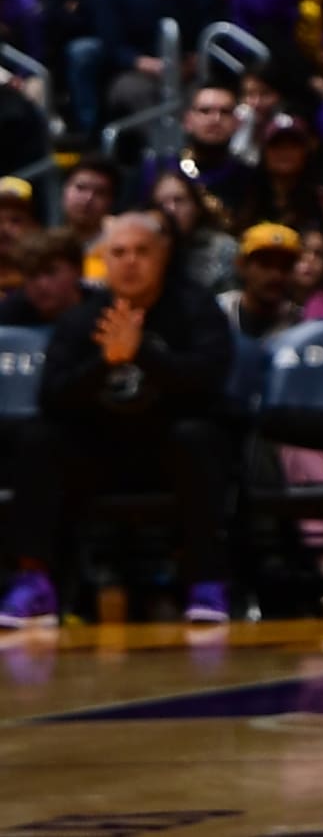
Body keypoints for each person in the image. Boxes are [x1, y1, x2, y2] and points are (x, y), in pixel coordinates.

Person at [0, 211, 235, 627]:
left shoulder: (195, 307)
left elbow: (210, 385)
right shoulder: (82, 318)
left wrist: (142, 352)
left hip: (166, 453)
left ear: (163, 256)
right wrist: (104, 363)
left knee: (200, 436)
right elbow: (52, 397)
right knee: (38, 438)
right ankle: (34, 581)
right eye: (119, 252)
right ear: (103, 262)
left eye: (142, 251)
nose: (130, 262)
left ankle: (205, 580)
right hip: (102, 455)